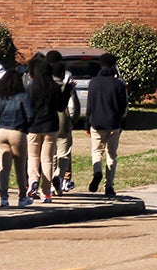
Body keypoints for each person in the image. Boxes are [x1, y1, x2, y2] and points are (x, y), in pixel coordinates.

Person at [0, 68, 35, 208]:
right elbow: (30, 115)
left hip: (1, 131)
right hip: (17, 131)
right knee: (20, 167)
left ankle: (4, 198)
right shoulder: (22, 96)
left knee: (4, 166)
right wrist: (26, 127)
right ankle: (22, 197)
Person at [87, 52, 128, 197]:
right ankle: (109, 186)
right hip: (114, 123)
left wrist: (87, 124)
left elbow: (90, 106)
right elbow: (123, 107)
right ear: (113, 66)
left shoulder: (93, 82)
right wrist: (121, 121)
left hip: (97, 123)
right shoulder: (119, 84)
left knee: (97, 151)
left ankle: (97, 171)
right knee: (111, 155)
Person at [25, 58, 63, 203]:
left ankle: (33, 179)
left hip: (34, 126)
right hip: (51, 126)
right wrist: (67, 91)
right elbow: (60, 107)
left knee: (33, 156)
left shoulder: (31, 87)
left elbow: (27, 107)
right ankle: (46, 192)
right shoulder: (54, 87)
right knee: (47, 159)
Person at [50, 59, 78, 193]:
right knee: (64, 153)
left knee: (52, 154)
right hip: (63, 123)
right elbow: (73, 107)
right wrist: (71, 120)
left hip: (48, 123)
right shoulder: (67, 88)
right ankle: (59, 178)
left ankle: (50, 182)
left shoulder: (47, 86)